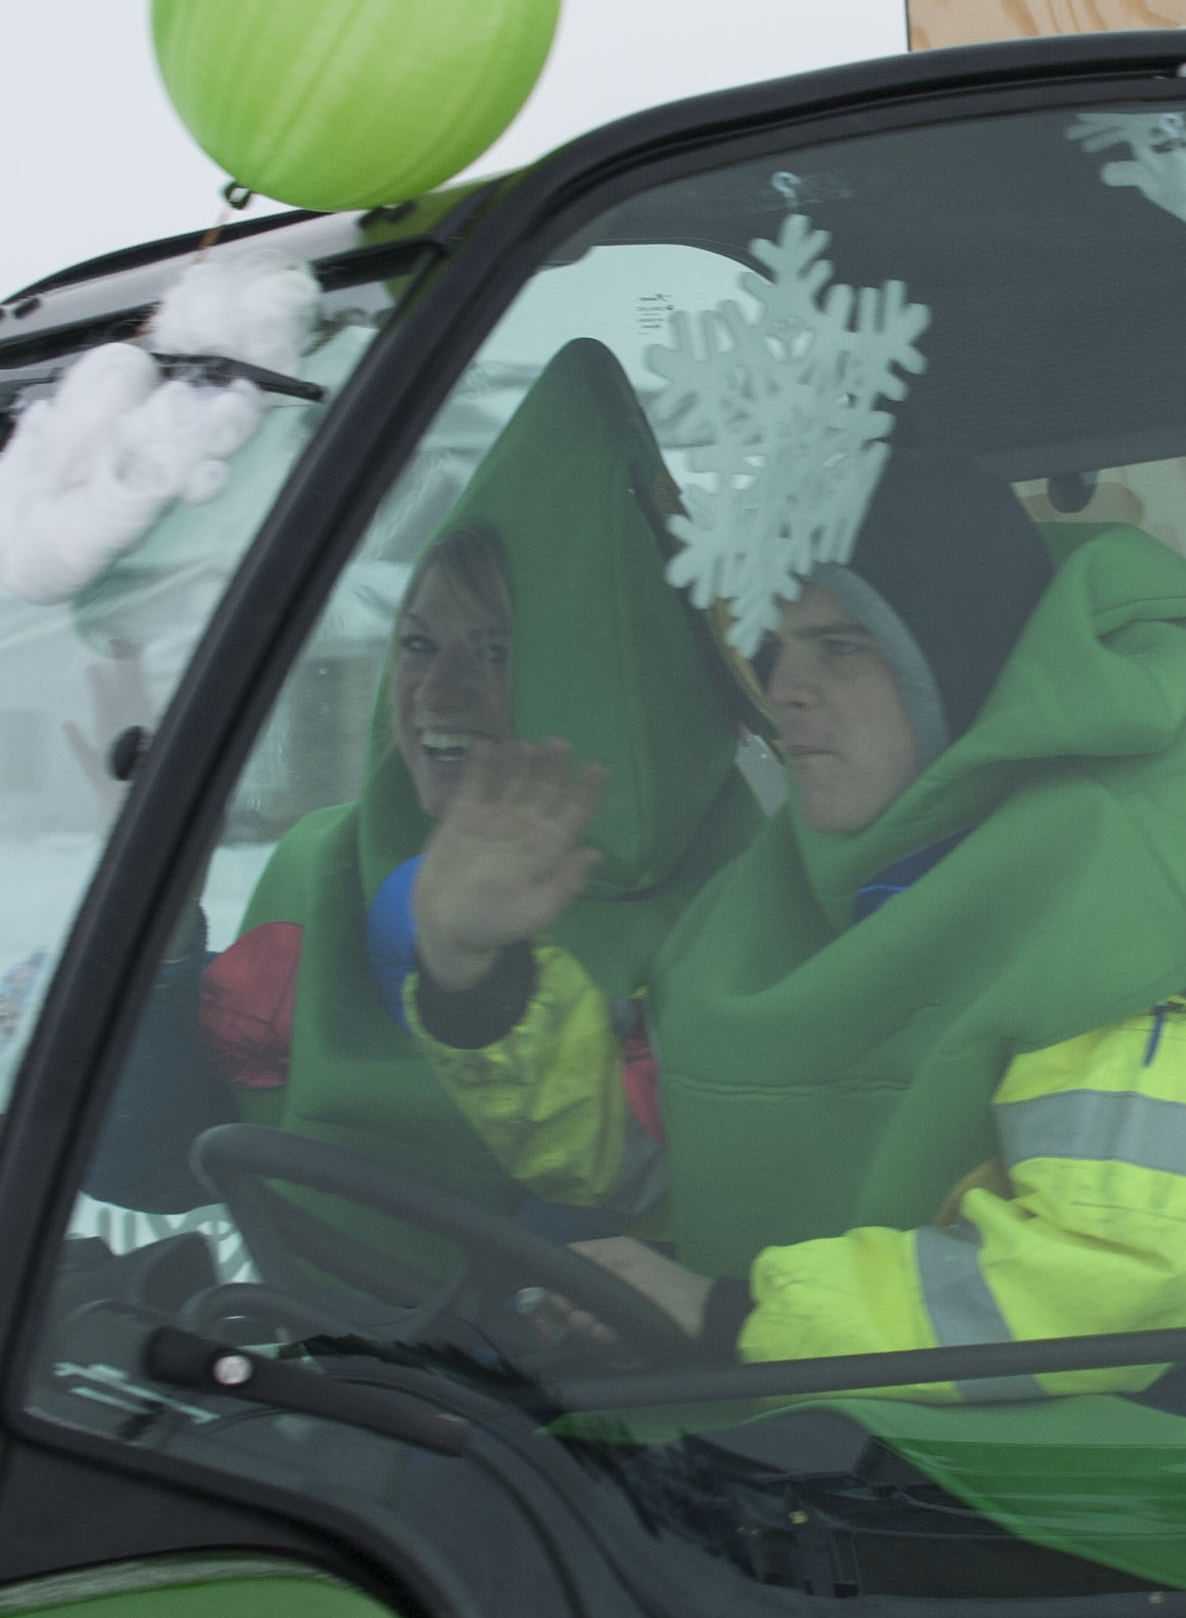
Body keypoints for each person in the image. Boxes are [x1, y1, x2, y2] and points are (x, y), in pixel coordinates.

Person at [412, 449, 1186, 1605]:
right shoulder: (798, 884)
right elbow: (646, 1160)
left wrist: (726, 1316)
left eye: (841, 648)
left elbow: (1119, 1277)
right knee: (459, 1482)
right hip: (883, 1410)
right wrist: (472, 970)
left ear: (962, 655)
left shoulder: (1168, 870)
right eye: (774, 649)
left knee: (603, 1575)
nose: (786, 690)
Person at [82, 340, 761, 1223]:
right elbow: (144, 1167)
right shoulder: (324, 866)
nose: (440, 691)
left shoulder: (737, 912)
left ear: (597, 677)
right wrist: (159, 908)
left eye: (496, 652)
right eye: (418, 644)